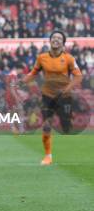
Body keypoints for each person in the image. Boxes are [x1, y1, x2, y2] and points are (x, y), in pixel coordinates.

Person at [22, 30, 82, 165]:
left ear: (63, 43)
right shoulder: (41, 57)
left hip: (64, 97)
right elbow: (33, 73)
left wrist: (66, 89)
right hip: (47, 95)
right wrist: (22, 81)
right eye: (53, 37)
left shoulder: (69, 58)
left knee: (66, 127)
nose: (56, 39)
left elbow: (78, 76)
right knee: (47, 125)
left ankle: (67, 120)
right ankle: (48, 156)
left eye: (59, 38)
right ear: (50, 40)